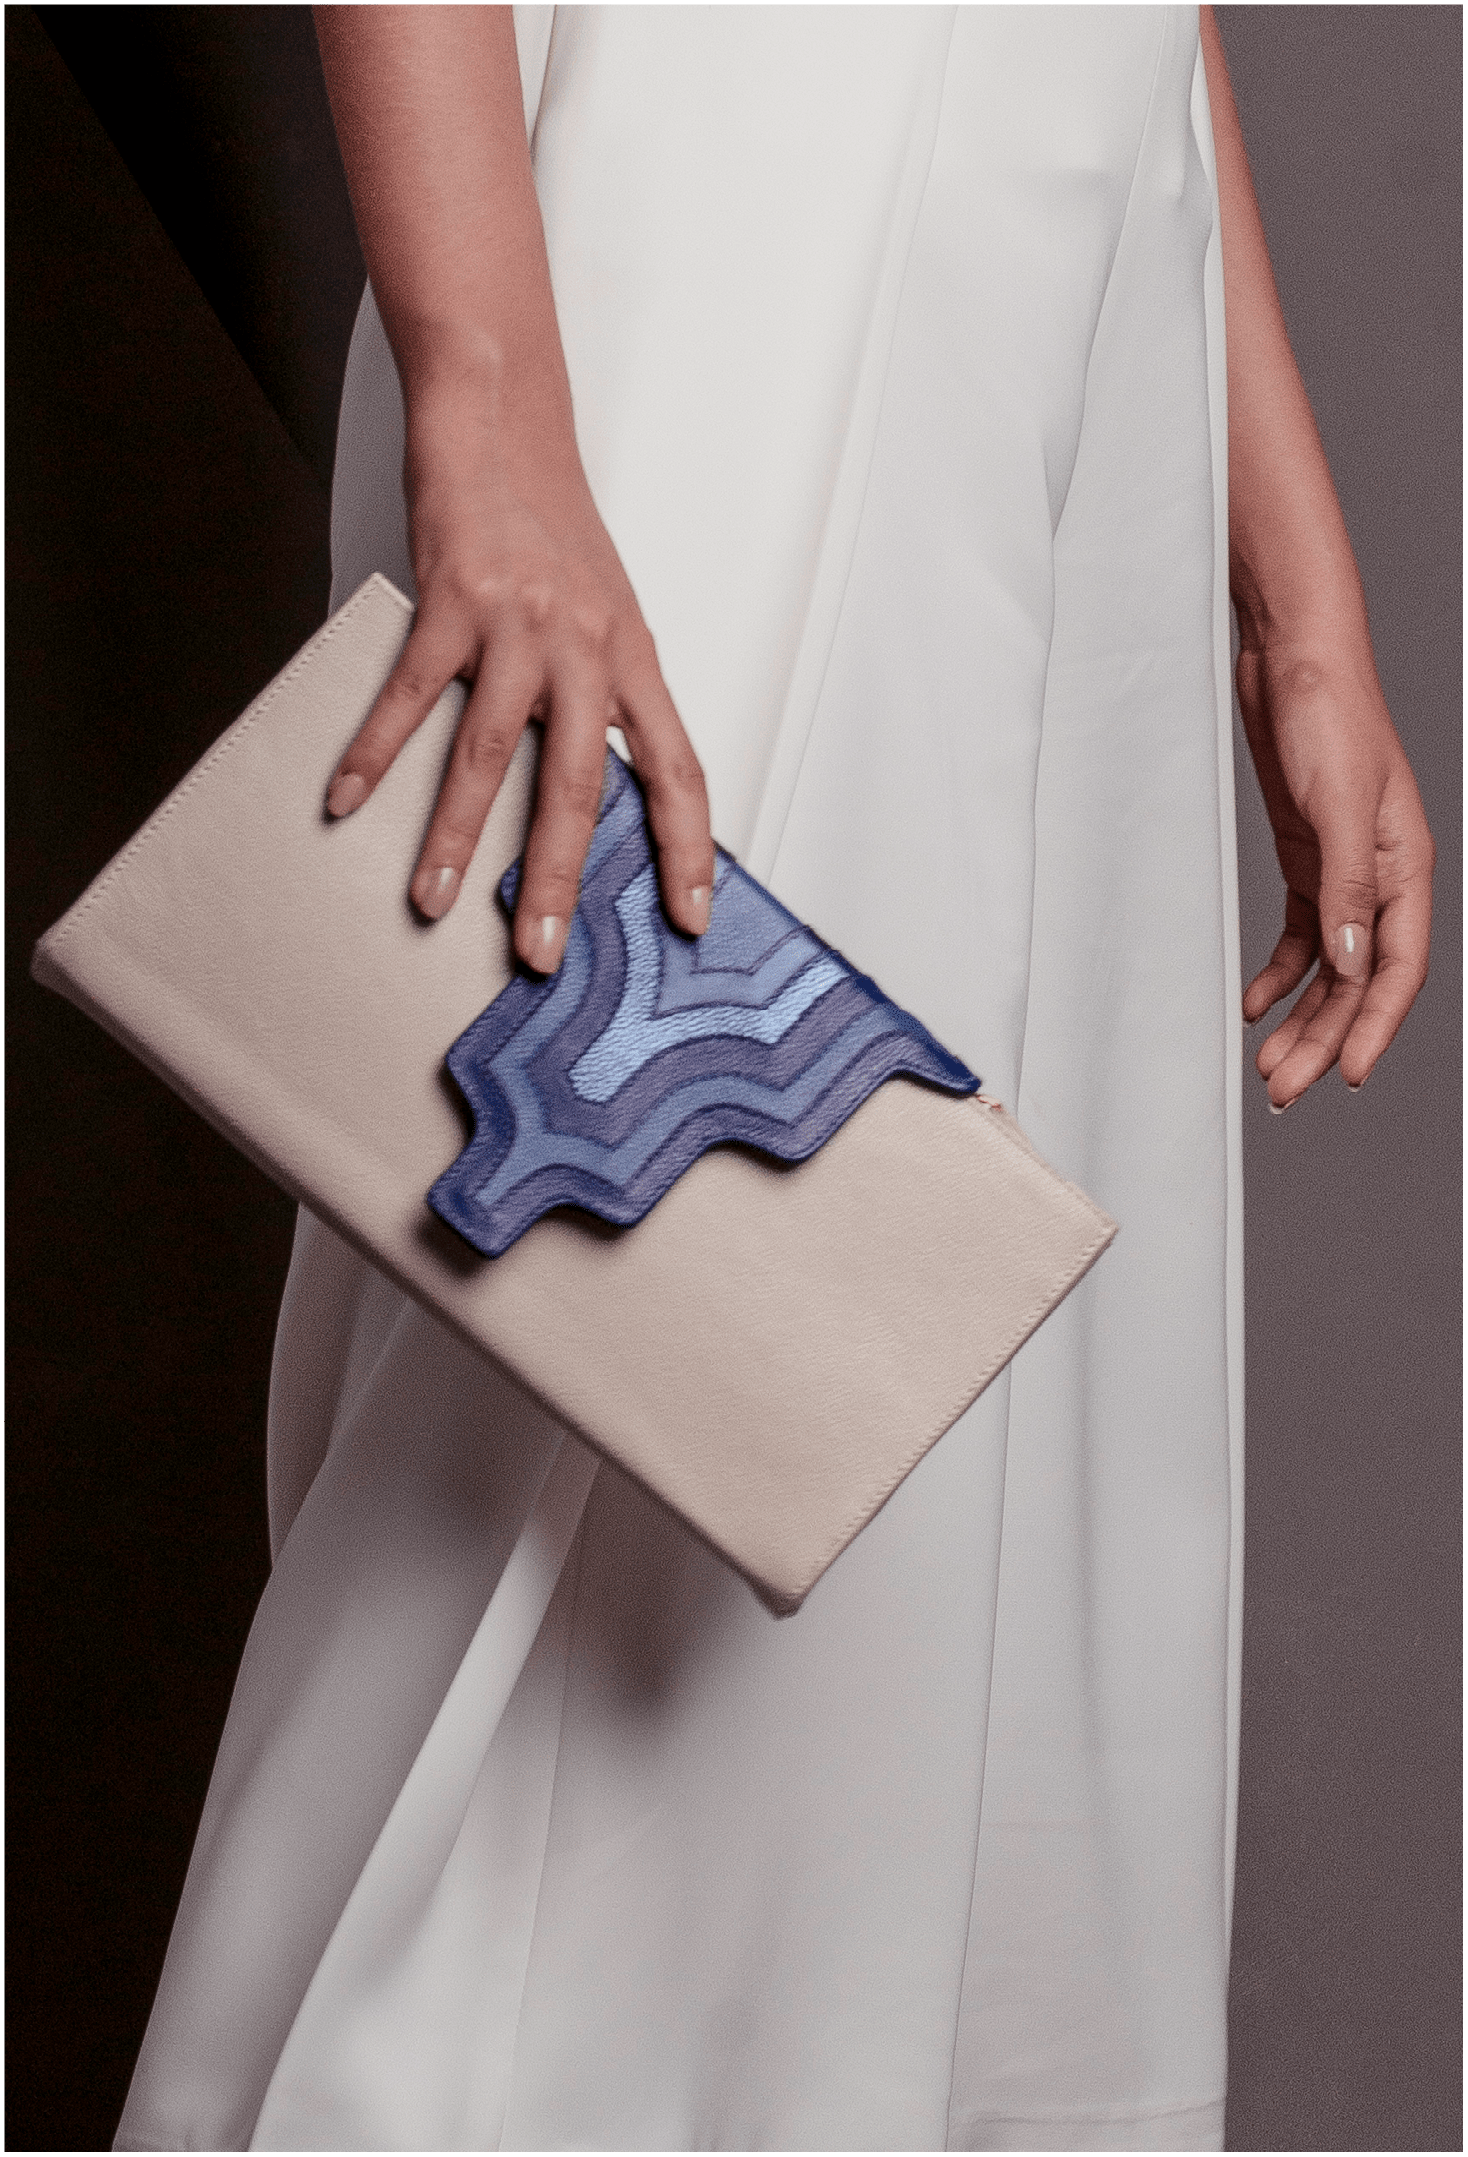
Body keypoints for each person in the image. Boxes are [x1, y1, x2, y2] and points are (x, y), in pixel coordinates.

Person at [114, 7, 1434, 2151]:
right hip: (736, 189)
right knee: (614, 1377)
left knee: (962, 1468)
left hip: (1088, 265)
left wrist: (1293, 591)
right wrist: (484, 380)